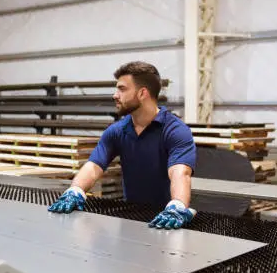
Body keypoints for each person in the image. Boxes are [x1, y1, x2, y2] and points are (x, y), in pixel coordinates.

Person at [48, 61, 197, 229]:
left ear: (142, 93)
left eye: (122, 89)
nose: (115, 95)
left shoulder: (175, 131)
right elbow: (94, 165)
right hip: (131, 217)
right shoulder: (117, 131)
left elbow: (180, 173)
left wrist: (177, 205)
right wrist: (75, 190)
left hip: (167, 221)